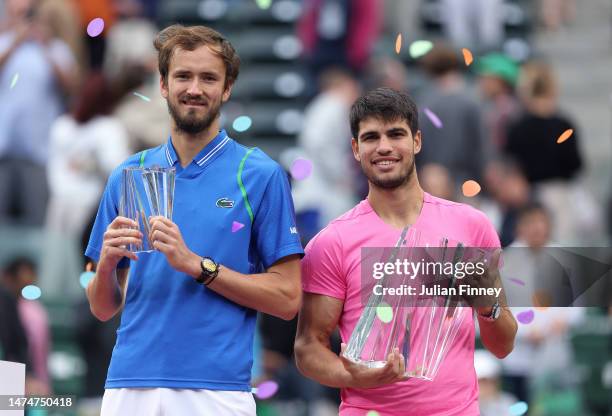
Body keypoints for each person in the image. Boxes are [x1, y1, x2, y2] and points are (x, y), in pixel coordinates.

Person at [85, 24, 303, 416]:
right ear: (164, 85)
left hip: (216, 390)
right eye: (183, 76)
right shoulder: (128, 174)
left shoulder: (260, 174)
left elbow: (288, 299)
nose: (194, 89)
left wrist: (196, 266)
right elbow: (102, 308)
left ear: (227, 88)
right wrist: (104, 265)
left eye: (208, 78)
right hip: (128, 385)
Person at [294, 88, 517, 415]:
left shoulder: (472, 226)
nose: (384, 147)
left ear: (416, 141)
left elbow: (503, 345)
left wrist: (489, 310)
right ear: (356, 149)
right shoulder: (332, 242)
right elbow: (307, 348)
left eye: (395, 134)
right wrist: (356, 376)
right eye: (371, 137)